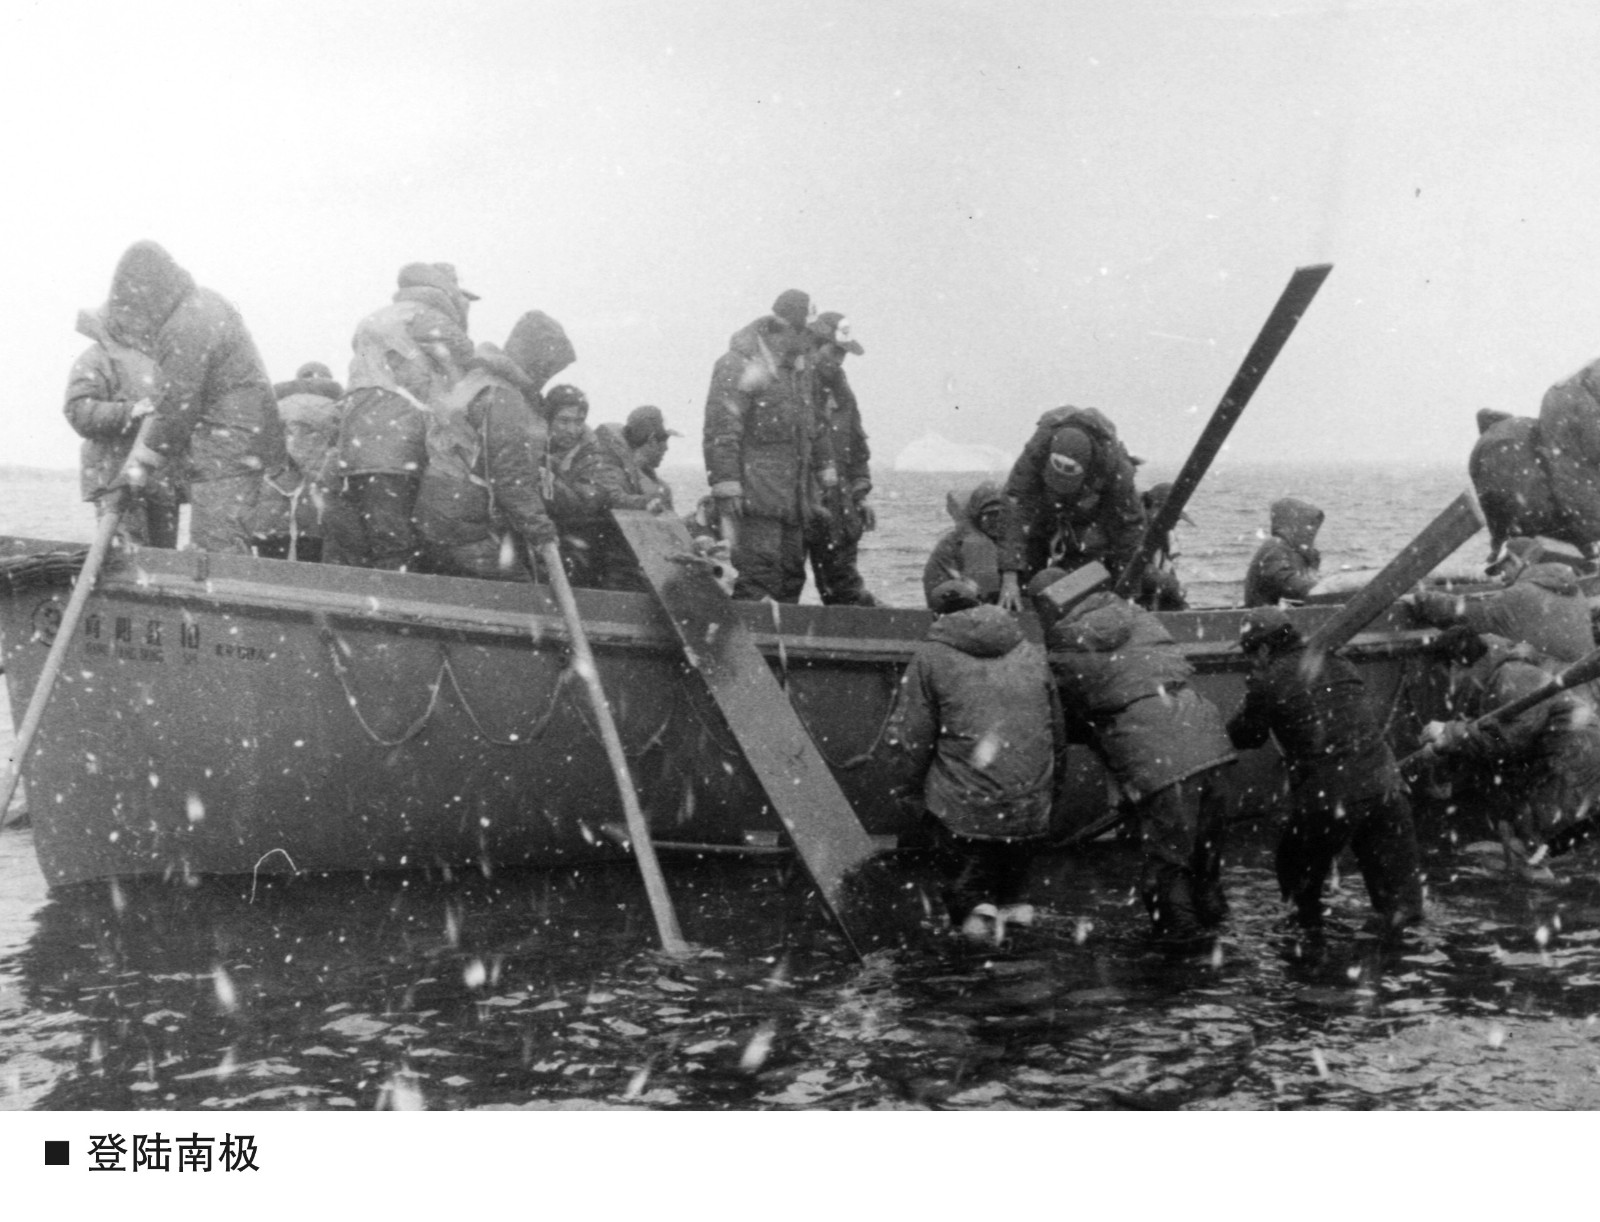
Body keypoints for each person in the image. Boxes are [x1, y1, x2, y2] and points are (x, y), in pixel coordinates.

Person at [1031, 570, 1236, 947]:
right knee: (1206, 866)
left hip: (1159, 759)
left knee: (1167, 869)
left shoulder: (1063, 641)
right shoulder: (1137, 614)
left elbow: (1068, 719)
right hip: (1211, 741)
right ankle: (1221, 949)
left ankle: (1182, 958)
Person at [1226, 607, 1424, 935]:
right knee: (1402, 906)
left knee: (1295, 873)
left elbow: (1246, 735)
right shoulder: (1339, 661)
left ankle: (1312, 948)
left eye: (1251, 654)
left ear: (1262, 650)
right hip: (1385, 785)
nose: (1251, 661)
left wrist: (1254, 694)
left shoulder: (1269, 680)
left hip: (1329, 796)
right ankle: (1404, 965)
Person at [884, 582, 1060, 944]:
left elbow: (912, 740)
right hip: (1030, 805)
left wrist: (909, 794)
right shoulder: (1029, 650)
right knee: (1014, 895)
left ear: (936, 615)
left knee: (970, 898)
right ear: (980, 603)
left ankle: (975, 968)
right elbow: (1057, 731)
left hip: (966, 812)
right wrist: (1047, 793)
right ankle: (1021, 962)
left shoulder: (930, 657)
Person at [106, 240, 288, 553]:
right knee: (220, 545)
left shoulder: (185, 324)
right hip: (239, 443)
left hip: (229, 450)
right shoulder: (200, 303)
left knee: (217, 550)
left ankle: (224, 596)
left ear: (146, 294)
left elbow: (176, 409)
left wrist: (136, 473)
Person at [1418, 626, 1600, 879]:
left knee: (1527, 845)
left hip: (1574, 761)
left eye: (1445, 675)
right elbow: (1497, 739)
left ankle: (1542, 897)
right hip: (1575, 759)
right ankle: (1562, 884)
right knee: (1536, 836)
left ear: (1456, 665)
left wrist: (1449, 733)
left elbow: (1508, 739)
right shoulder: (1499, 674)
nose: (1450, 685)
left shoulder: (1511, 675)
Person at [325, 289, 476, 569]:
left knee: (358, 541)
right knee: (396, 542)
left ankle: (356, 606)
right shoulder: (425, 314)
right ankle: (399, 605)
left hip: (357, 444)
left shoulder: (376, 320)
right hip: (399, 444)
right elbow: (462, 356)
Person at [703, 290, 837, 602]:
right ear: (786, 328)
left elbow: (814, 426)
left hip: (794, 504)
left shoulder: (801, 372)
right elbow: (722, 429)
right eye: (805, 334)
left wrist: (824, 469)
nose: (809, 343)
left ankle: (778, 650)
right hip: (754, 503)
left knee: (791, 579)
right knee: (756, 581)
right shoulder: (737, 364)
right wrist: (726, 483)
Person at [411, 318, 560, 580]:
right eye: (548, 367)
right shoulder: (504, 396)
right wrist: (542, 530)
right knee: (520, 594)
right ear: (534, 359)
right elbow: (510, 479)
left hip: (438, 508)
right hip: (461, 518)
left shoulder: (477, 382)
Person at [997, 406, 1145, 610]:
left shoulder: (1115, 467)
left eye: (1070, 470)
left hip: (1089, 512)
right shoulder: (1037, 450)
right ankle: (1024, 605)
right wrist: (1009, 575)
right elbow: (1015, 506)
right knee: (1030, 543)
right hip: (1044, 505)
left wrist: (1129, 594)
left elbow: (1130, 528)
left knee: (1090, 561)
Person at [63, 305, 181, 547]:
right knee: (127, 561)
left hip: (160, 483)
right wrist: (130, 411)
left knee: (165, 563)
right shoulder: (96, 358)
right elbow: (77, 410)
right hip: (115, 478)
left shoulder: (160, 361)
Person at [1406, 536, 1594, 663]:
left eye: (1503, 569)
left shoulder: (1520, 594)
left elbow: (1467, 613)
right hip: (1583, 691)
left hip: (1550, 692)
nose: (1501, 577)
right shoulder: (1575, 591)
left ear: (1515, 562)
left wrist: (1423, 599)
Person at [803, 311, 877, 606]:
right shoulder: (791, 384)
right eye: (834, 351)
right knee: (782, 579)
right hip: (798, 498)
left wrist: (859, 493)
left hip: (838, 501)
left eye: (843, 354)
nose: (838, 360)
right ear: (816, 344)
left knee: (843, 586)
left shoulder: (842, 392)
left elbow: (857, 446)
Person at [565, 406, 679, 592]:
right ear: (651, 440)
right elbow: (612, 499)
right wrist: (649, 502)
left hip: (609, 552)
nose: (666, 447)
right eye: (664, 440)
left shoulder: (640, 473)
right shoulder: (603, 458)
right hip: (598, 556)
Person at [249, 362, 345, 561]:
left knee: (271, 575)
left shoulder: (274, 408)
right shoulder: (339, 410)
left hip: (271, 512)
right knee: (311, 576)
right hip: (315, 511)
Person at [922, 481, 1007, 609]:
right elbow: (935, 585)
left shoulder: (1015, 543)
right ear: (977, 517)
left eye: (1000, 515)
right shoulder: (951, 545)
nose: (995, 521)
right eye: (989, 515)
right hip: (958, 608)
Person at [1242, 497, 1324, 607]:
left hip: (1283, 616)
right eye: (1307, 525)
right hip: (1267, 620)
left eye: (1314, 526)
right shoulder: (1275, 549)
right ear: (1292, 525)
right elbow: (1290, 586)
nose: (1312, 530)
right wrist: (1326, 588)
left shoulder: (1299, 553)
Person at [1136, 482, 1189, 611]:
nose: (1175, 523)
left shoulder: (1163, 535)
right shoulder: (1132, 530)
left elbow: (1167, 570)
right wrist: (1172, 584)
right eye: (1174, 517)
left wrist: (1180, 602)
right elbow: (1136, 569)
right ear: (1156, 507)